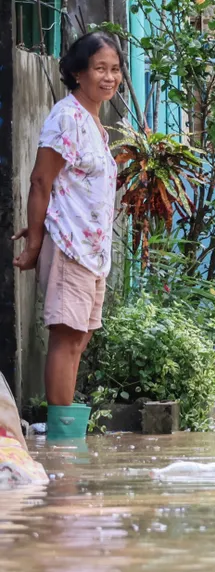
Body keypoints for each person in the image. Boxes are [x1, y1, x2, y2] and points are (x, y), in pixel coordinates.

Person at [12, 32, 122, 414]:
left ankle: (67, 434)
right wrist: (35, 241)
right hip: (69, 244)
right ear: (78, 73)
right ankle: (62, 437)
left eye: (115, 69)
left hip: (93, 251)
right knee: (66, 335)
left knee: (80, 337)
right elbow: (41, 180)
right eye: (99, 69)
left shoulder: (94, 123)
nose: (109, 77)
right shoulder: (67, 116)